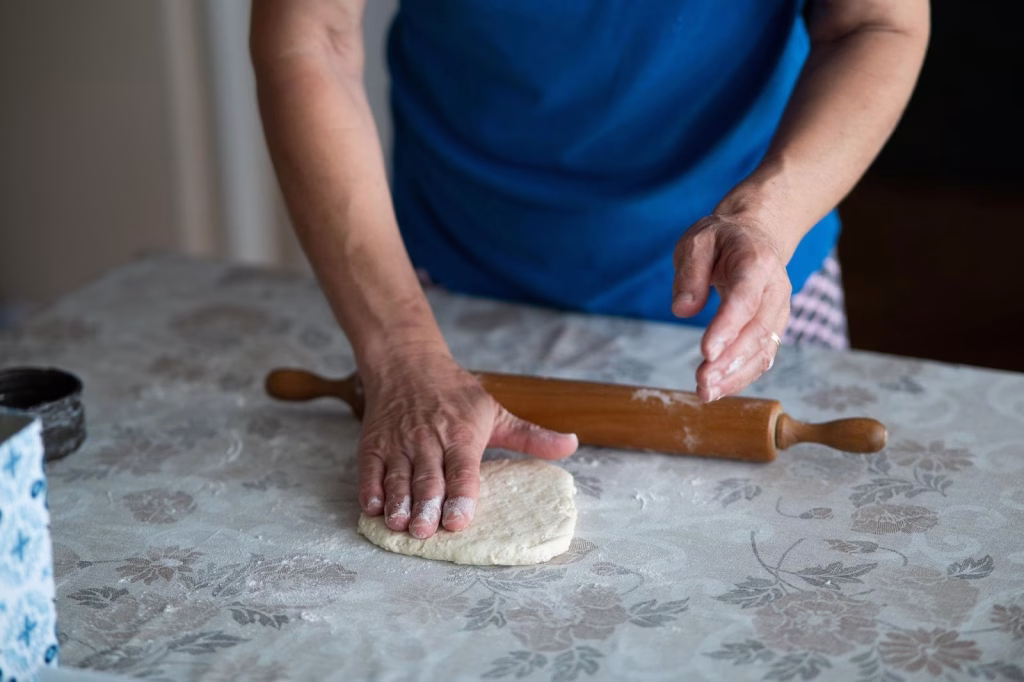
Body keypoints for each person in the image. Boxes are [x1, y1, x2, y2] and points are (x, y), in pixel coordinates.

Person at [250, 0, 929, 540]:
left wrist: (767, 217)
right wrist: (400, 353)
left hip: (752, 279)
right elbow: (312, 33)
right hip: (439, 283)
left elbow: (876, 21)